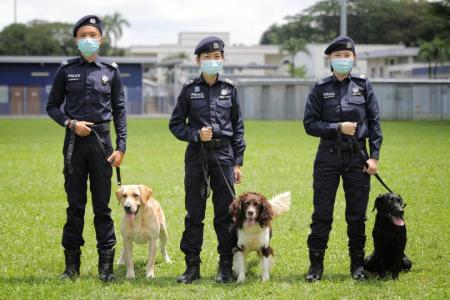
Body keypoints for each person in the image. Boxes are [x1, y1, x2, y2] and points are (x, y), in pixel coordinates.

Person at [46, 15, 127, 282]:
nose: (88, 39)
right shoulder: (65, 70)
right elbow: (52, 107)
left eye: (93, 35)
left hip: (103, 143)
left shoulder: (111, 71)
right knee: (75, 206)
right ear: (76, 40)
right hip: (74, 144)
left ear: (101, 39)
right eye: (83, 35)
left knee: (103, 207)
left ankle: (106, 268)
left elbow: (120, 111)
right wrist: (70, 123)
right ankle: (72, 267)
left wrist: (121, 147)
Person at [303, 35, 382, 281]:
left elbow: (375, 123)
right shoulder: (320, 88)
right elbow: (309, 124)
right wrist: (337, 127)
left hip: (358, 157)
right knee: (322, 214)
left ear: (354, 58)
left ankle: (357, 266)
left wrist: (374, 157)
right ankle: (316, 267)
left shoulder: (363, 85)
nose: (343, 59)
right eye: (338, 56)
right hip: (327, 156)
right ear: (330, 58)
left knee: (357, 215)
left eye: (347, 55)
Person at [169, 36, 245, 284]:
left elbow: (238, 128)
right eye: (207, 58)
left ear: (222, 59)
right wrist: (195, 134)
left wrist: (237, 162)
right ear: (197, 60)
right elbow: (175, 124)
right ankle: (192, 267)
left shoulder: (230, 90)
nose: (212, 61)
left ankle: (225, 266)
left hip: (224, 156)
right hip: (196, 156)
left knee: (225, 214)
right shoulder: (190, 89)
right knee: (194, 213)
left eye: (217, 57)